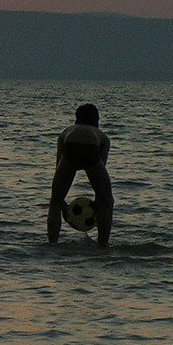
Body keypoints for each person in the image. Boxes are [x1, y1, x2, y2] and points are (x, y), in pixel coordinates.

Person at [47, 103, 113, 246]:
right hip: (92, 151)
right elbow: (102, 165)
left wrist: (60, 201)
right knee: (107, 201)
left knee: (55, 202)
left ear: (76, 120)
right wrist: (98, 201)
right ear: (97, 121)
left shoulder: (67, 131)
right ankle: (103, 245)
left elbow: (58, 165)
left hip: (70, 147)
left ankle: (52, 243)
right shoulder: (102, 137)